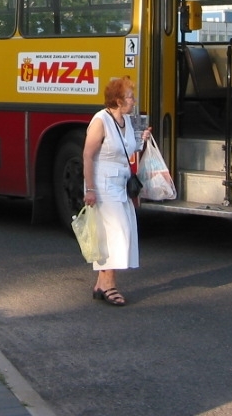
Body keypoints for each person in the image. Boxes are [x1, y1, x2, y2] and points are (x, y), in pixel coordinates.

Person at [82, 76, 150, 307]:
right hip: (102, 185)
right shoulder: (100, 120)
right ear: (118, 100)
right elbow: (88, 155)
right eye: (130, 97)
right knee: (116, 233)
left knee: (122, 231)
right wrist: (90, 189)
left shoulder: (127, 122)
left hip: (120, 184)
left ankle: (101, 284)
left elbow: (128, 149)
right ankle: (109, 285)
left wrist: (142, 140)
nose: (134, 100)